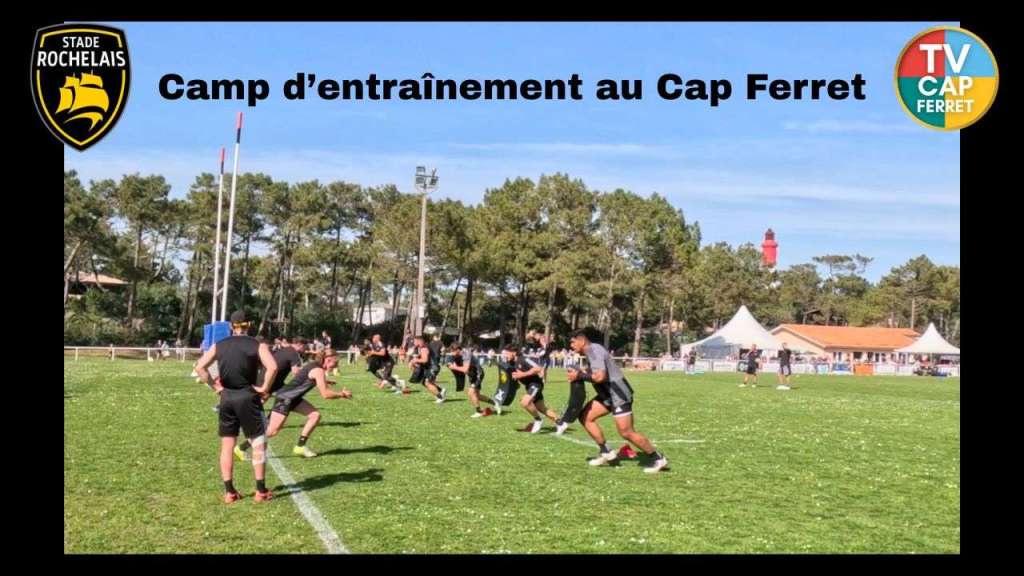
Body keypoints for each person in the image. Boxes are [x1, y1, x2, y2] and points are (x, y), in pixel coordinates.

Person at [194, 310, 279, 503]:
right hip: (248, 396)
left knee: (227, 444)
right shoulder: (257, 345)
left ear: (232, 326)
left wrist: (216, 387)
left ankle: (230, 491)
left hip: (227, 397)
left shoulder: (219, 345)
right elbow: (273, 367)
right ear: (249, 325)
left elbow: (200, 367)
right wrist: (265, 387)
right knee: (258, 441)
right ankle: (260, 490)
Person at [567, 330, 668, 474]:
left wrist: (579, 375)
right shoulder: (591, 351)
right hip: (607, 395)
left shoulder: (593, 351)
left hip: (618, 394)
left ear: (582, 341)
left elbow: (600, 377)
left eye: (572, 342)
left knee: (626, 432)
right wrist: (581, 374)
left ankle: (658, 458)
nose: (571, 346)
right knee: (585, 417)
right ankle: (606, 452)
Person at [248, 349, 352, 459]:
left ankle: (300, 447)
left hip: (293, 398)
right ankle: (241, 448)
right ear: (328, 359)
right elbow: (325, 394)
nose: (335, 366)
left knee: (315, 416)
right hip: (286, 399)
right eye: (335, 363)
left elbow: (305, 377)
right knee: (272, 431)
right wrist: (342, 394)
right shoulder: (318, 370)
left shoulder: (314, 366)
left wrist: (324, 381)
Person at [506, 344, 560, 433]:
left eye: (507, 353)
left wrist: (523, 374)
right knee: (542, 408)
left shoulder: (523, 359)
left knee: (525, 402)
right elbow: (515, 377)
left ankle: (538, 420)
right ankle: (561, 423)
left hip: (536, 384)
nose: (505, 355)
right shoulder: (511, 363)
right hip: (529, 386)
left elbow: (538, 368)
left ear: (514, 353)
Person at [447, 341, 492, 417]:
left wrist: (453, 367)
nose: (451, 353)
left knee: (471, 392)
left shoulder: (466, 353)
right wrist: (450, 363)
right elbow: (449, 362)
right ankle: (495, 403)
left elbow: (465, 369)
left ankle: (479, 412)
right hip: (471, 375)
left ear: (458, 349)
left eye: (453, 351)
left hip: (478, 373)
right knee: (477, 395)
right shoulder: (456, 355)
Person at [408, 334, 446, 403]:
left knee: (427, 383)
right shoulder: (421, 347)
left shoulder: (424, 348)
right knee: (424, 382)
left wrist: (415, 360)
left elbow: (425, 360)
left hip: (433, 367)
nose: (414, 343)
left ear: (419, 341)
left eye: (415, 341)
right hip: (430, 367)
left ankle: (440, 397)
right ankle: (440, 390)